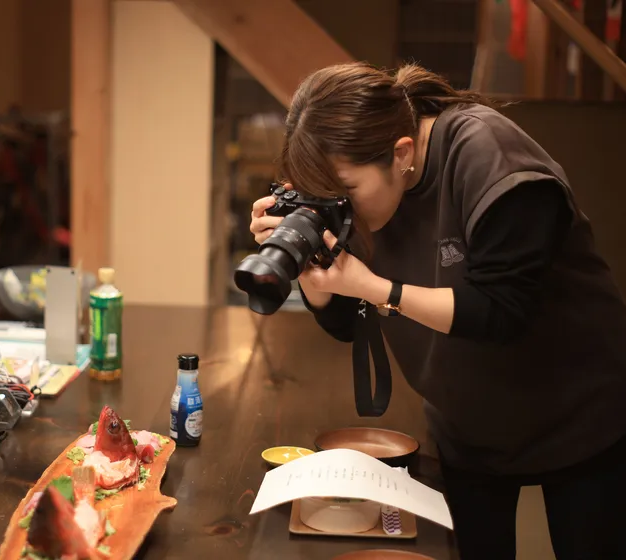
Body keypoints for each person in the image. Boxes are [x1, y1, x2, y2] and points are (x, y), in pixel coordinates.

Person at [249, 62, 626, 559]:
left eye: (347, 191)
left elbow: (500, 311)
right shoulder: (359, 188)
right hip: (467, 425)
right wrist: (308, 268)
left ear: (402, 153)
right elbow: (346, 322)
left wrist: (374, 286)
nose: (341, 208)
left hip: (579, 414)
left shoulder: (488, 157)